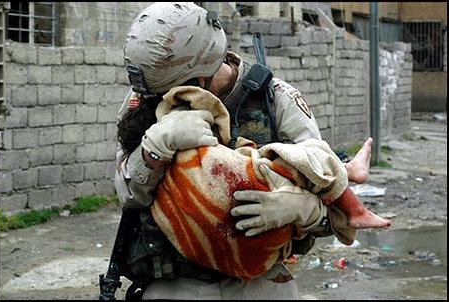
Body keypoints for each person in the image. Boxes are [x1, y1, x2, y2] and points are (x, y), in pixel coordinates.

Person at [113, 2, 379, 299]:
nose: (165, 99)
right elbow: (126, 195)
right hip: (177, 282)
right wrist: (153, 150)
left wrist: (301, 209)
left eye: (173, 90)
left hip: (262, 283)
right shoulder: (148, 95)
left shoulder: (277, 100)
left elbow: (330, 198)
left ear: (199, 77)